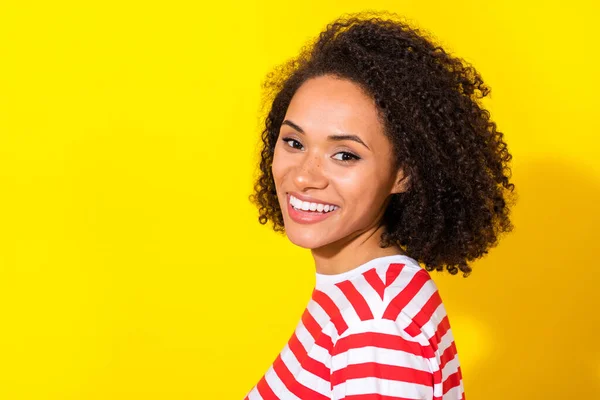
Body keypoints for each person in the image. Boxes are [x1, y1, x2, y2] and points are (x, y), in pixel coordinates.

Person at [245, 10, 516, 400]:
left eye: (345, 155)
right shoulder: (371, 292)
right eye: (294, 142)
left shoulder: (376, 326)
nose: (304, 176)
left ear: (404, 174)